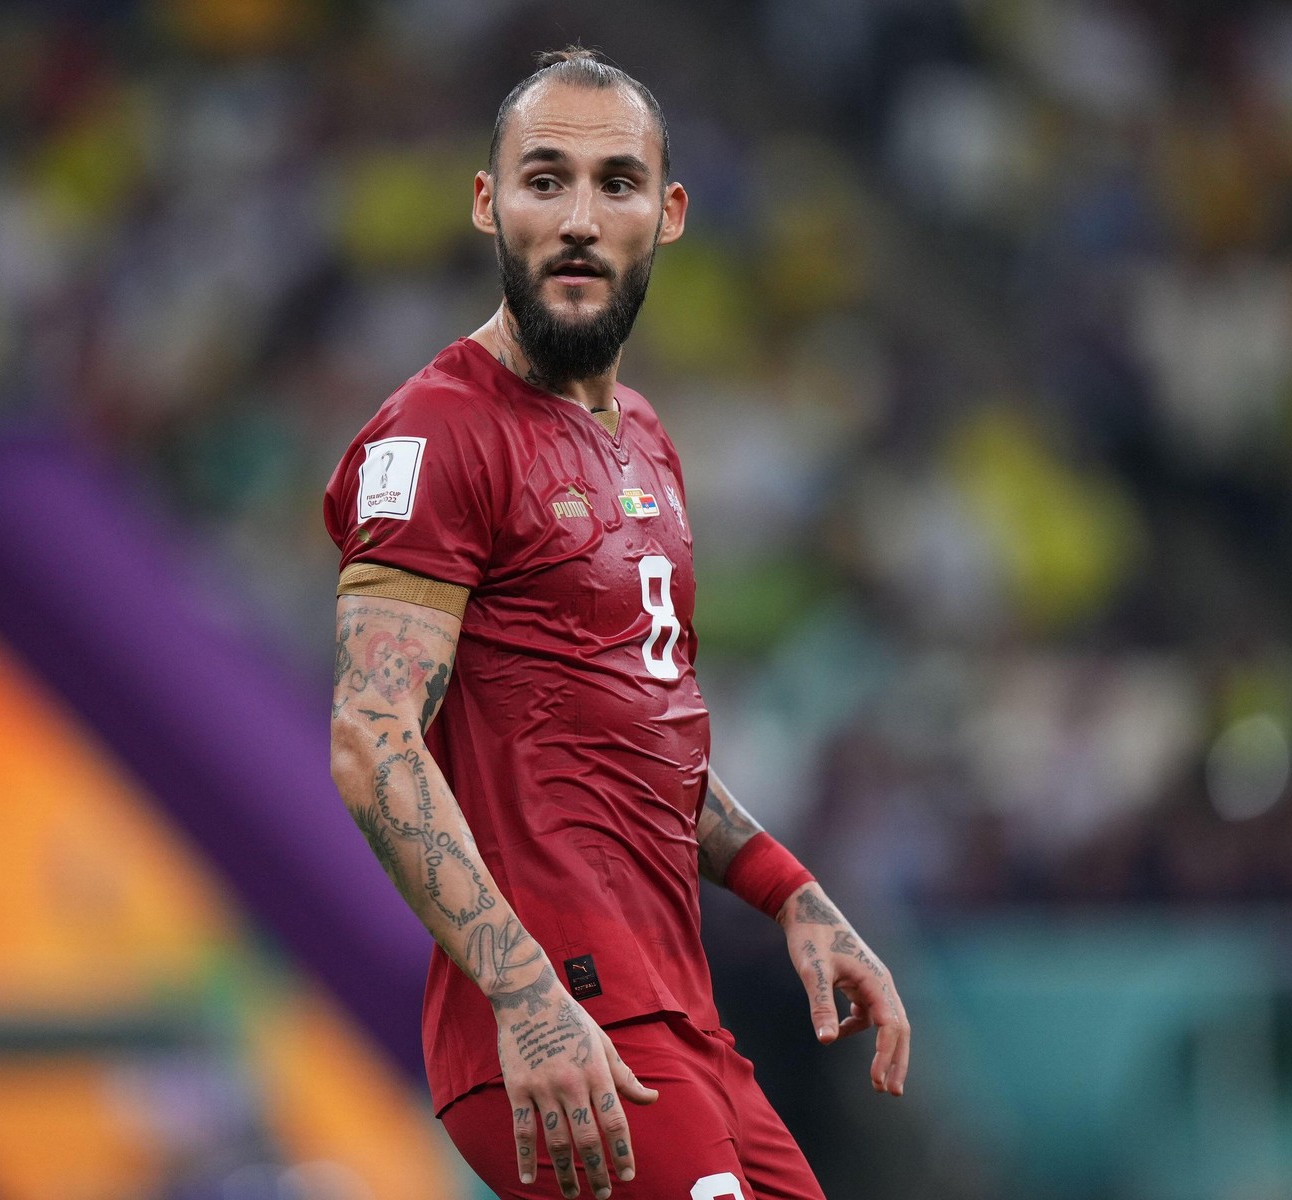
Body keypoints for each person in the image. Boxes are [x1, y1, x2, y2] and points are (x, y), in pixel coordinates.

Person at [324, 48, 910, 1200]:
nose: (581, 218)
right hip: (567, 1023)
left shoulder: (642, 436)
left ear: (669, 213)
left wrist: (790, 889)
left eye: (617, 182)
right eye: (545, 181)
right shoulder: (437, 435)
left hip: (681, 1017)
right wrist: (529, 996)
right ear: (489, 203)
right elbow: (370, 737)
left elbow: (632, 731)